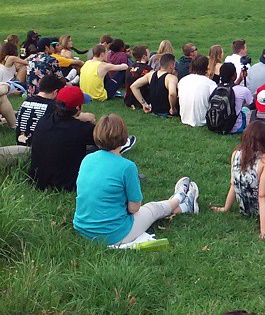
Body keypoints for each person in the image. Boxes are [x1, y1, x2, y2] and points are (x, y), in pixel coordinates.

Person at [73, 114, 198, 245]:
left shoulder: (87, 159)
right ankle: (178, 198)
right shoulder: (127, 167)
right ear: (124, 138)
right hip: (114, 234)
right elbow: (134, 208)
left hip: (82, 228)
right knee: (152, 209)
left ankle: (183, 207)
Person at [213, 120, 265, 238]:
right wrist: (264, 230)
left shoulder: (236, 154)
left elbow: (234, 184)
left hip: (246, 208)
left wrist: (226, 208)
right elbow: (263, 195)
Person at [28, 86, 96, 191]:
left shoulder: (43, 121)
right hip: (66, 184)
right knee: (96, 151)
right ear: (78, 108)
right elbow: (103, 141)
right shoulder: (83, 129)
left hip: (38, 180)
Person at [15, 74, 66, 144]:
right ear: (55, 92)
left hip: (20, 142)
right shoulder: (52, 106)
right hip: (39, 146)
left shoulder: (26, 101)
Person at [178, 54, 217, 127]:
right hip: (203, 120)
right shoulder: (210, 84)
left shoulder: (183, 80)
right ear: (207, 67)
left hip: (184, 118)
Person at [216, 62, 254, 134]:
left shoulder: (216, 88)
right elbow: (252, 104)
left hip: (217, 124)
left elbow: (230, 87)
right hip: (235, 127)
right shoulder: (243, 90)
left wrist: (240, 79)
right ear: (234, 75)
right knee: (246, 109)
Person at [124, 45, 153, 109]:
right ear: (144, 57)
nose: (150, 55)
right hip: (142, 100)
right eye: (148, 53)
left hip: (128, 99)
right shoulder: (148, 70)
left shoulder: (129, 68)